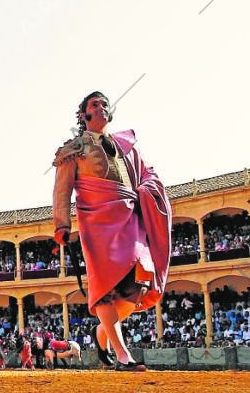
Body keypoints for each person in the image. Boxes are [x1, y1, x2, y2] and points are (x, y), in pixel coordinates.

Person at [52, 91, 172, 371]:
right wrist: (61, 224)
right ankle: (122, 355)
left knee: (138, 285)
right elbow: (62, 188)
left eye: (105, 104)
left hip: (129, 218)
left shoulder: (126, 146)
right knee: (104, 290)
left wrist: (148, 190)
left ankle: (102, 332)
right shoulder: (74, 148)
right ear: (84, 115)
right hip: (96, 223)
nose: (102, 107)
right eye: (95, 105)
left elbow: (147, 175)